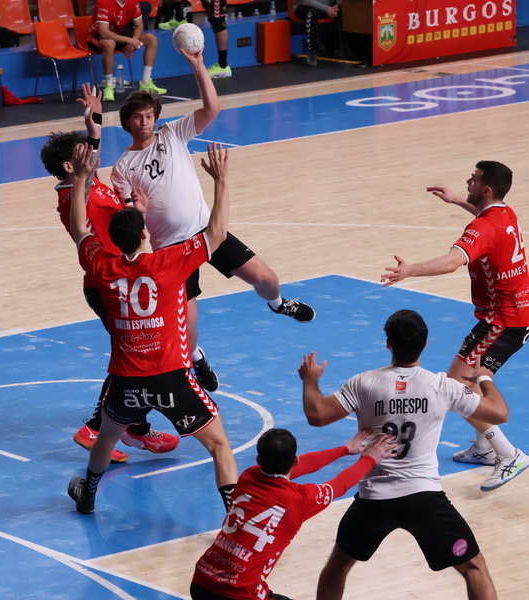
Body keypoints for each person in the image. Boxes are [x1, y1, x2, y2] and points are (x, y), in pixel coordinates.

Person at [111, 47, 315, 394]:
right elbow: (132, 224)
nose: (145, 121)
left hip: (209, 233)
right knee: (188, 329)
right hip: (171, 249)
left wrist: (197, 64)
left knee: (267, 279)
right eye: (138, 117)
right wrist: (139, 212)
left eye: (149, 115)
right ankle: (196, 356)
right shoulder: (122, 169)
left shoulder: (172, 134)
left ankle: (279, 305)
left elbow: (212, 108)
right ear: (128, 121)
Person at [66, 140, 239, 515]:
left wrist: (81, 179)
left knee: (107, 436)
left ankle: (89, 495)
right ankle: (235, 517)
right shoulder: (170, 262)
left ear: (112, 241)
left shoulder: (102, 267)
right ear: (145, 233)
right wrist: (221, 180)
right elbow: (218, 234)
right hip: (171, 377)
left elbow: (80, 227)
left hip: (126, 380)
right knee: (220, 446)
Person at [299, 309, 509, 600]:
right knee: (473, 567)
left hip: (373, 500)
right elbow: (499, 413)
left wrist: (310, 381)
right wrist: (485, 379)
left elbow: (316, 415)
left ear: (388, 343)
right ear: (425, 343)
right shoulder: (442, 386)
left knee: (337, 565)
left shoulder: (364, 383)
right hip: (423, 497)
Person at [40, 83, 180, 463]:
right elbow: (83, 196)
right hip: (107, 285)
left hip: (126, 278)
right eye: (84, 155)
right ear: (72, 168)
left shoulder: (90, 181)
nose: (93, 156)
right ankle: (95, 428)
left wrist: (95, 122)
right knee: (132, 357)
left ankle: (134, 427)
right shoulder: (72, 196)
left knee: (134, 354)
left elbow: (91, 163)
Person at [381, 161, 529, 491]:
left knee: (455, 384)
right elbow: (484, 223)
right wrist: (459, 201)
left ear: (486, 190)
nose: (468, 181)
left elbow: (452, 262)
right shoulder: (505, 213)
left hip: (503, 320)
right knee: (473, 380)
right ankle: (483, 449)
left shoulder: (483, 228)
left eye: (474, 180)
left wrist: (411, 270)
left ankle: (507, 454)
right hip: (515, 313)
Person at [191, 428, 397, 600]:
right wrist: (370, 459)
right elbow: (339, 486)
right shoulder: (298, 499)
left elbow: (298, 466)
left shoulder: (248, 476)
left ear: (258, 460)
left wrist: (343, 450)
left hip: (201, 582)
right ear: (294, 460)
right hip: (239, 594)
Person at [87, 0, 166, 102]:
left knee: (152, 39)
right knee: (110, 44)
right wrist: (130, 40)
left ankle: (145, 83)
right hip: (96, 37)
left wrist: (133, 42)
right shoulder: (103, 2)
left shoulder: (132, 2)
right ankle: (109, 86)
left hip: (120, 35)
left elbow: (139, 26)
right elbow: (104, 32)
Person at [292, 0, 340, 66]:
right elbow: (306, 1)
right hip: (305, 6)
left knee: (347, 9)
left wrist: (337, 5)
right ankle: (311, 50)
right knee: (312, 12)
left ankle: (347, 49)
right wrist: (327, 9)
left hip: (328, 8)